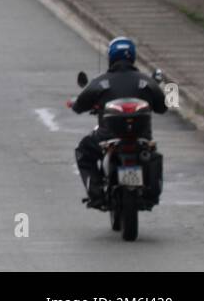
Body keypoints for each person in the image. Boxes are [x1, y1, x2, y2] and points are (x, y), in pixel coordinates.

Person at [70, 37, 167, 205]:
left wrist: (76, 104)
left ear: (111, 57)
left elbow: (79, 106)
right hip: (141, 138)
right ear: (132, 57)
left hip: (107, 137)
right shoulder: (146, 82)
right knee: (153, 154)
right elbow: (162, 108)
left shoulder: (101, 82)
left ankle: (96, 192)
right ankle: (150, 193)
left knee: (83, 152)